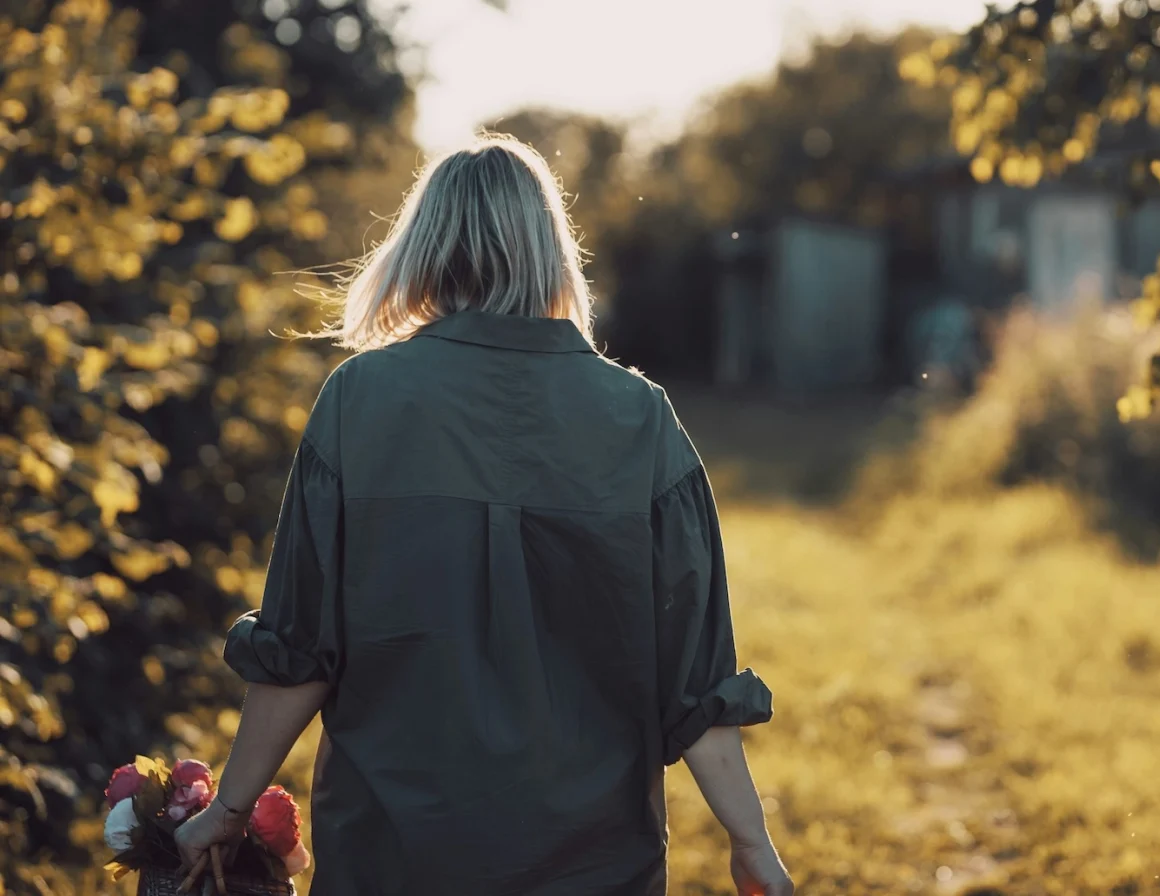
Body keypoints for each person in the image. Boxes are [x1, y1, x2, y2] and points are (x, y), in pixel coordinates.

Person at [172, 136, 791, 896]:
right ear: (551, 251)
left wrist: (228, 810)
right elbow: (696, 684)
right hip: (592, 864)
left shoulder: (358, 402)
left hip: (391, 856)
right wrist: (750, 840)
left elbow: (300, 651)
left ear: (423, 247)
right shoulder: (641, 419)